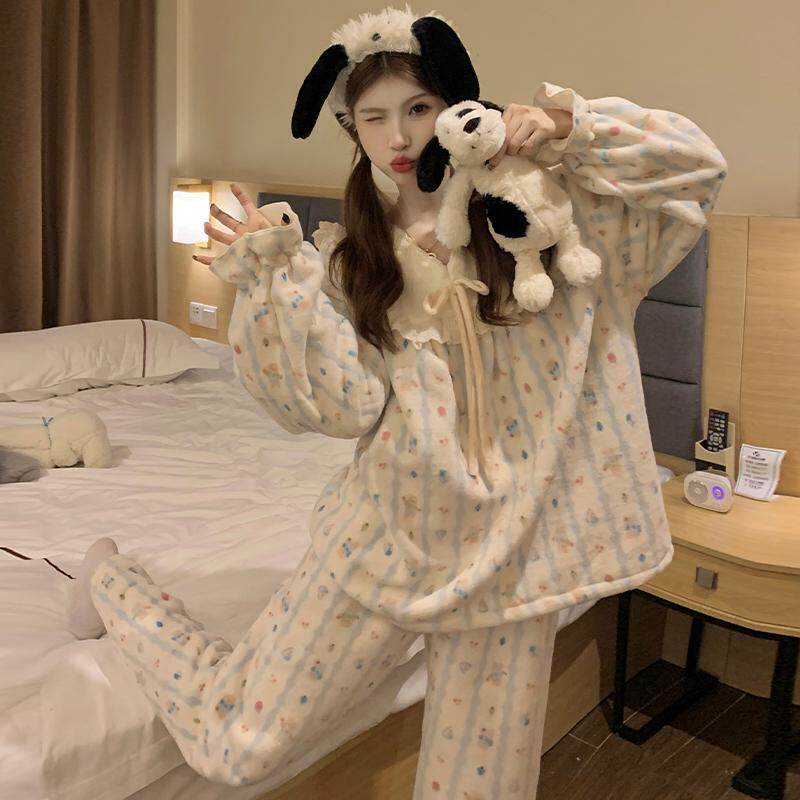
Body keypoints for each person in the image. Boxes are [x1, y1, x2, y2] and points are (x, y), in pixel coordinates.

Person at [65, 6, 728, 798]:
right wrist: (273, 285)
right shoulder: (351, 260)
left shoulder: (556, 223)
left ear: (454, 106)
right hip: (387, 536)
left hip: (514, 559)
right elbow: (338, 409)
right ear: (352, 129)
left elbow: (697, 171)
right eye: (374, 118)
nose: (400, 136)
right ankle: (115, 583)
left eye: (417, 107)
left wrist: (565, 127)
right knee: (237, 743)